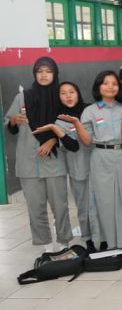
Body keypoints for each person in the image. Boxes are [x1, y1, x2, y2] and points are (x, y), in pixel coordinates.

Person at [5, 57, 75, 253]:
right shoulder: (22, 98)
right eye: (40, 71)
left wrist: (53, 139)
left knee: (60, 207)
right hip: (28, 163)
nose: (44, 75)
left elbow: (70, 127)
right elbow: (9, 124)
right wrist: (13, 121)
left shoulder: (61, 97)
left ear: (55, 73)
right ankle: (47, 246)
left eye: (48, 71)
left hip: (54, 161)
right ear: (34, 73)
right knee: (36, 209)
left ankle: (63, 242)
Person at [75, 71, 122, 253]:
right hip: (101, 157)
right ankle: (107, 242)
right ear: (98, 87)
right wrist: (76, 123)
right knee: (104, 201)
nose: (110, 87)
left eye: (114, 83)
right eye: (106, 83)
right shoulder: (90, 111)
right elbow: (87, 141)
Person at [56, 81, 96, 252]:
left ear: (78, 93)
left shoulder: (90, 111)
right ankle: (88, 238)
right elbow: (72, 145)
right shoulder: (59, 119)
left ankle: (106, 235)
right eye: (63, 93)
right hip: (78, 168)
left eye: (71, 91)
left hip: (100, 165)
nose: (68, 96)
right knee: (83, 205)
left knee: (103, 203)